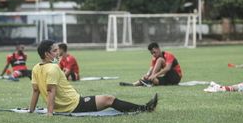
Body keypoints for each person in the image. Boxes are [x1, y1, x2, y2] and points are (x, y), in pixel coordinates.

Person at [29, 40, 158, 116]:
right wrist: (50, 113)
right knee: (109, 99)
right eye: (55, 50)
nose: (58, 53)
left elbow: (35, 91)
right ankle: (145, 108)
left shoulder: (36, 67)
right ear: (47, 54)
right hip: (74, 104)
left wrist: (31, 111)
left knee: (108, 99)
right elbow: (51, 91)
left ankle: (144, 108)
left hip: (66, 105)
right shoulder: (53, 68)